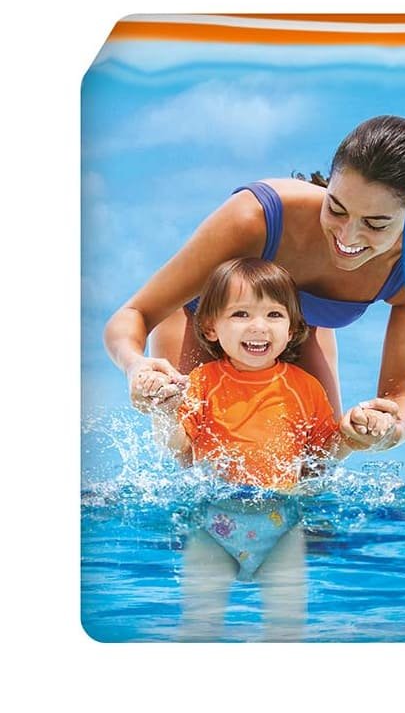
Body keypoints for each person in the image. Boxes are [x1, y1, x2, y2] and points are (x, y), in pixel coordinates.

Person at [104, 114, 405, 441]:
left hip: (299, 331)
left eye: (375, 224)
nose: (347, 236)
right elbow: (135, 314)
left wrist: (385, 428)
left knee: (317, 457)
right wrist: (135, 365)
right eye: (336, 208)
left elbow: (400, 397)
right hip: (198, 320)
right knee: (193, 449)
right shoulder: (256, 217)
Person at [149, 257, 391, 640]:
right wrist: (164, 413)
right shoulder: (201, 383)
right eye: (241, 314)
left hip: (282, 524)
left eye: (274, 314)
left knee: (286, 625)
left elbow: (321, 455)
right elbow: (177, 444)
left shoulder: (304, 387)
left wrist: (352, 435)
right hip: (212, 522)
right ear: (211, 328)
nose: (259, 326)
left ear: (292, 329)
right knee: (200, 622)